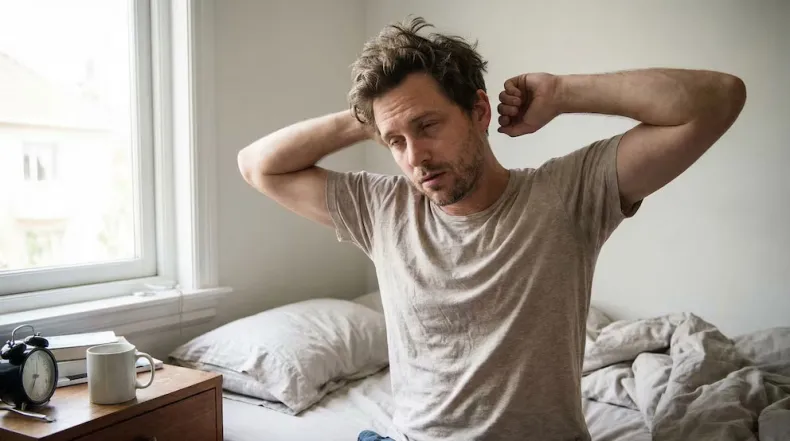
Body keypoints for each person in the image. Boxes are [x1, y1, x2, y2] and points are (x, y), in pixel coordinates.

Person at [237, 17, 746, 441]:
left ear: (478, 111)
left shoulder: (567, 195)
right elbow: (257, 165)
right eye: (395, 142)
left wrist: (564, 92)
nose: (415, 157)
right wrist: (369, 118)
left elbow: (719, 99)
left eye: (427, 126)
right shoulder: (382, 208)